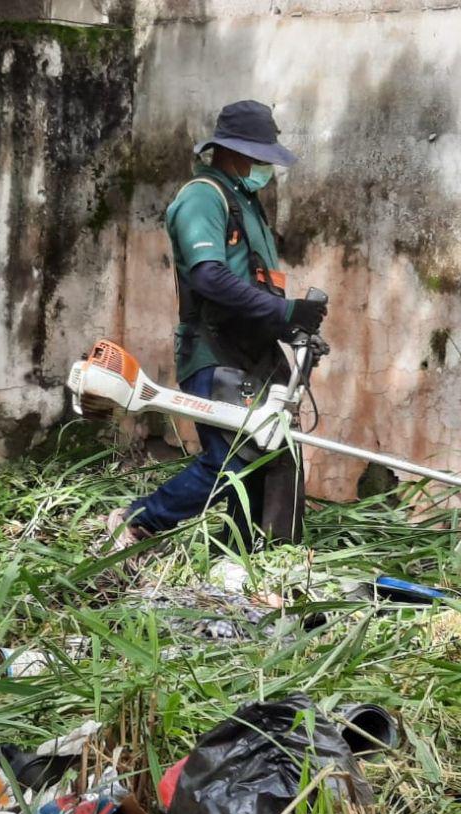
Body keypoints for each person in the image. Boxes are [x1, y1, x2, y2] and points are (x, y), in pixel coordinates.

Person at [106, 100, 326, 552]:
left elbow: (255, 287)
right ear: (232, 151)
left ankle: (250, 563)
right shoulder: (204, 195)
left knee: (276, 456)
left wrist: (292, 326)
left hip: (255, 352)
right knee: (235, 460)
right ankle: (135, 520)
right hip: (215, 349)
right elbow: (209, 276)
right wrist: (285, 313)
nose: (265, 166)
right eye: (259, 156)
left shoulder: (247, 204)